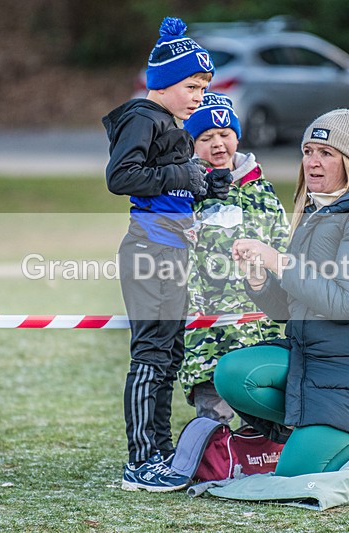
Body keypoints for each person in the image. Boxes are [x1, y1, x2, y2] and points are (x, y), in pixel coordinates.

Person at [213, 109, 349, 477]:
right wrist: (259, 279)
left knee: (295, 474)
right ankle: (316, 430)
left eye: (326, 153)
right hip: (312, 356)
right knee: (230, 372)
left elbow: (345, 303)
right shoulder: (313, 209)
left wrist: (279, 262)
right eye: (308, 151)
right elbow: (289, 309)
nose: (313, 162)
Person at [101, 16, 232, 492]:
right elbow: (122, 178)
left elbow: (171, 186)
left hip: (174, 252)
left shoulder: (169, 124)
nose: (200, 96)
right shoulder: (142, 117)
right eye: (193, 86)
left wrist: (205, 182)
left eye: (204, 87)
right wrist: (182, 176)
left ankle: (159, 452)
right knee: (151, 357)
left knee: (170, 355)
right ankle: (140, 461)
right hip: (149, 251)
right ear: (165, 83)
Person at [179, 92, 290, 424]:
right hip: (209, 335)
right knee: (214, 424)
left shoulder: (263, 191)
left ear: (237, 136)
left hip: (261, 331)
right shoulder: (184, 193)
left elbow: (284, 250)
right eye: (206, 137)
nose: (217, 144)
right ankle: (214, 471)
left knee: (265, 426)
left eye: (224, 134)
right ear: (191, 144)